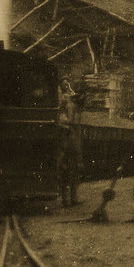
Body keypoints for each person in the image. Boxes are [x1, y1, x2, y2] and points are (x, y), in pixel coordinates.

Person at [57, 77, 83, 207]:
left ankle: (72, 198)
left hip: (73, 143)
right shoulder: (64, 106)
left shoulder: (73, 106)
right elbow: (62, 119)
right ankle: (66, 200)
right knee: (66, 174)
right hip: (66, 143)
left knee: (73, 174)